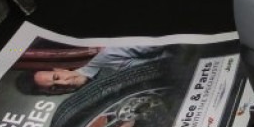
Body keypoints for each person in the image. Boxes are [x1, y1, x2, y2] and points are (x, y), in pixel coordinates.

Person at [16, 45, 169, 95]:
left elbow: (163, 43)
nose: (64, 83)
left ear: (60, 69)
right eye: (54, 88)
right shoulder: (94, 98)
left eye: (56, 77)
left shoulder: (108, 55)